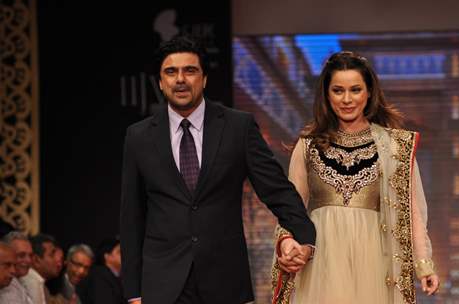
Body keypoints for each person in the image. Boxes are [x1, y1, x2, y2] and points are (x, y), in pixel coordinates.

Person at [120, 35, 316, 304]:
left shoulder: (238, 127)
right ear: (160, 82)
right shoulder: (139, 136)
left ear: (204, 79)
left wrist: (305, 237)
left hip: (225, 281)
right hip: (162, 286)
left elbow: (277, 190)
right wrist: (133, 291)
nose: (180, 79)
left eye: (190, 70)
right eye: (171, 72)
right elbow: (132, 217)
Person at [272, 51, 439, 304]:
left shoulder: (395, 147)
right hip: (322, 264)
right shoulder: (308, 146)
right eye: (338, 90)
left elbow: (411, 212)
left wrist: (424, 264)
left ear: (369, 92)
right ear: (327, 95)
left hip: (374, 262)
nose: (347, 99)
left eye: (356, 90)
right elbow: (291, 210)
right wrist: (286, 243)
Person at [76, 237, 125, 304]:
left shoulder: (118, 276)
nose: (124, 255)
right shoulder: (99, 276)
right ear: (107, 256)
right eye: (119, 252)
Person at [21, 234, 63, 304]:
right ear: (36, 260)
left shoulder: (38, 282)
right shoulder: (31, 282)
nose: (57, 261)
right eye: (51, 255)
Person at [1, 231, 34, 303]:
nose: (28, 260)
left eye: (30, 255)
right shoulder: (5, 285)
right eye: (21, 255)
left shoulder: (21, 281)